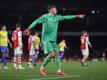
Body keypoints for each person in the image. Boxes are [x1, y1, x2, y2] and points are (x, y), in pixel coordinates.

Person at [24, 5, 85, 76]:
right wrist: (28, 28)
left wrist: (77, 16)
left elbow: (66, 17)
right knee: (52, 54)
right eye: (55, 9)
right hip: (46, 39)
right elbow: (36, 21)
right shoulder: (45, 17)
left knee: (57, 54)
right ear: (51, 10)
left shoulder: (57, 17)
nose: (56, 10)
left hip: (53, 40)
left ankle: (59, 71)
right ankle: (42, 67)